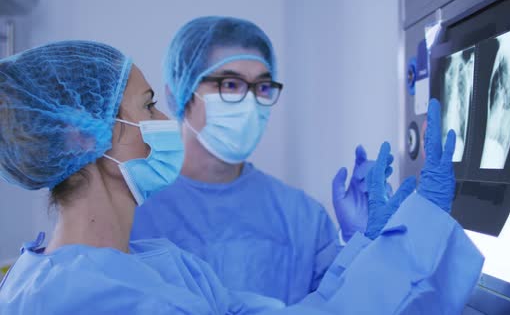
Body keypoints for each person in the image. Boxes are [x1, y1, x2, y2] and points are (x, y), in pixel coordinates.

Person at [0, 40, 483, 314]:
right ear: (86, 137)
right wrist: (414, 238)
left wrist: (376, 245)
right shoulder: (96, 300)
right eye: (148, 105)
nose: (163, 120)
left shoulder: (155, 266)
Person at [131, 16, 380, 304]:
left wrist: (360, 248)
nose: (250, 103)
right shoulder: (135, 209)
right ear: (181, 93)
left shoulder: (302, 217)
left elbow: (343, 306)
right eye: (230, 84)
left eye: (262, 87)